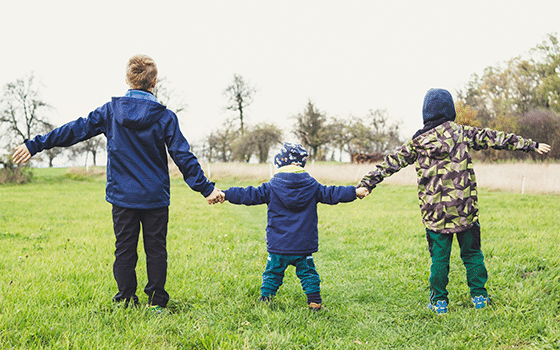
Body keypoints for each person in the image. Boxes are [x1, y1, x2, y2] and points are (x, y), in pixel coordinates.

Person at [12, 54, 223, 312]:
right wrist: (206, 188)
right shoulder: (165, 117)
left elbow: (74, 130)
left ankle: (125, 300)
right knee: (156, 250)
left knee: (124, 250)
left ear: (127, 79)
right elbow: (183, 156)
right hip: (155, 197)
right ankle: (157, 303)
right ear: (154, 81)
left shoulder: (111, 112)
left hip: (122, 197)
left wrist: (35, 144)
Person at [357, 88, 551, 315]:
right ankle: (479, 297)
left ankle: (439, 302)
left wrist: (367, 183)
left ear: (426, 113)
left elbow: (390, 163)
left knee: (439, 259)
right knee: (472, 254)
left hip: (435, 215)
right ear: (450, 111)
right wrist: (531, 145)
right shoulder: (462, 133)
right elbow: (495, 138)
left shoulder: (418, 142)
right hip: (465, 210)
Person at [214, 143, 369, 310]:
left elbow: (248, 194)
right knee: (308, 274)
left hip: (278, 245)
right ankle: (315, 302)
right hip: (303, 245)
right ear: (299, 164)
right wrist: (354, 192)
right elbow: (333, 193)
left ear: (280, 164)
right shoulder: (313, 186)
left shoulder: (271, 186)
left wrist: (226, 194)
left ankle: (265, 299)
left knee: (272, 273)